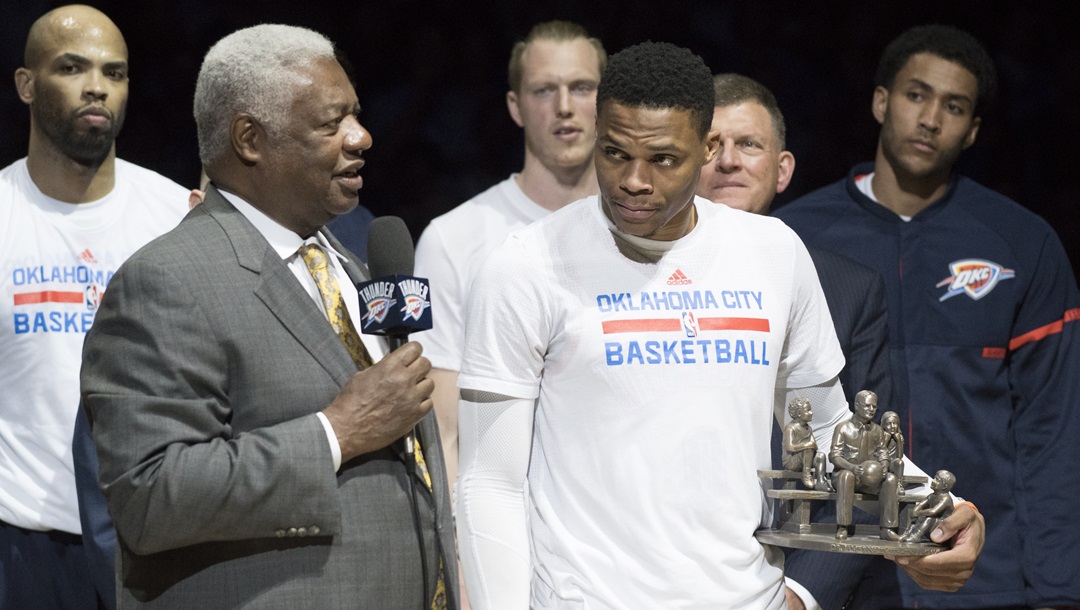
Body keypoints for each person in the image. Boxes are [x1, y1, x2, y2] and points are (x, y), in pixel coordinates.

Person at [455, 41, 982, 609]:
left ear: (706, 147)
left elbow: (829, 431)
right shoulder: (524, 265)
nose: (633, 180)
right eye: (614, 153)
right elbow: (491, 482)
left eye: (662, 159)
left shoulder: (773, 252)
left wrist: (935, 510)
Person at [80, 24, 457, 608]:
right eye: (332, 123)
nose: (362, 137)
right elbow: (150, 497)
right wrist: (336, 432)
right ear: (250, 139)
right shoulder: (165, 281)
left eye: (356, 114)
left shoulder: (353, 267)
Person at [775, 24, 1080, 609]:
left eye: (954, 106)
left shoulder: (1022, 242)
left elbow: (1053, 432)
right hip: (835, 574)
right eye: (917, 95)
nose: (932, 118)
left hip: (984, 576)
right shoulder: (795, 237)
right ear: (881, 101)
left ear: (972, 132)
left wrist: (1058, 592)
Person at [0, 5, 188, 608]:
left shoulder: (176, 216)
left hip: (156, 543)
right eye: (72, 67)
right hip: (23, 547)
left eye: (115, 72)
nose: (96, 87)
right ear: (26, 85)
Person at [696, 72, 894, 610]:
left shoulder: (851, 290)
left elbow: (869, 464)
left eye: (749, 145)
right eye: (710, 145)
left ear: (782, 170)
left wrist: (802, 595)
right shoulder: (632, 285)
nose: (728, 161)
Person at [413, 20, 605, 491]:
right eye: (544, 90)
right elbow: (444, 426)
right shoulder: (454, 237)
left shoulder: (646, 227)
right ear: (515, 106)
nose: (565, 107)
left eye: (582, 87)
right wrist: (456, 553)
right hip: (506, 520)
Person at [830, 390, 901, 541]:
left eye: (874, 407)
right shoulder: (842, 428)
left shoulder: (877, 430)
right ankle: (843, 526)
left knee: (890, 479)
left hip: (870, 476)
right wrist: (851, 467)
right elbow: (834, 456)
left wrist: (884, 465)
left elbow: (883, 452)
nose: (871, 410)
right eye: (867, 406)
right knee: (846, 476)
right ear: (857, 405)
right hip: (848, 473)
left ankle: (887, 529)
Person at [782, 398, 832, 490]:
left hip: (805, 459)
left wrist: (810, 445)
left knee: (821, 456)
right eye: (807, 410)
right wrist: (806, 445)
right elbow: (789, 447)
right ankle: (806, 474)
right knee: (808, 448)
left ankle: (820, 481)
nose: (811, 413)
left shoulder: (808, 428)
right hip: (791, 461)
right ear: (799, 413)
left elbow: (814, 445)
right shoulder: (791, 428)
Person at [902, 470, 956, 543]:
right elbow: (921, 504)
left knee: (929, 518)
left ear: (944, 486)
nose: (933, 481)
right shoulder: (931, 496)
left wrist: (918, 513)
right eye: (934, 478)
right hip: (936, 523)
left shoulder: (946, 499)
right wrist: (915, 511)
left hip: (944, 525)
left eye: (937, 480)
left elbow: (933, 511)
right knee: (916, 516)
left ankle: (916, 536)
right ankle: (908, 534)